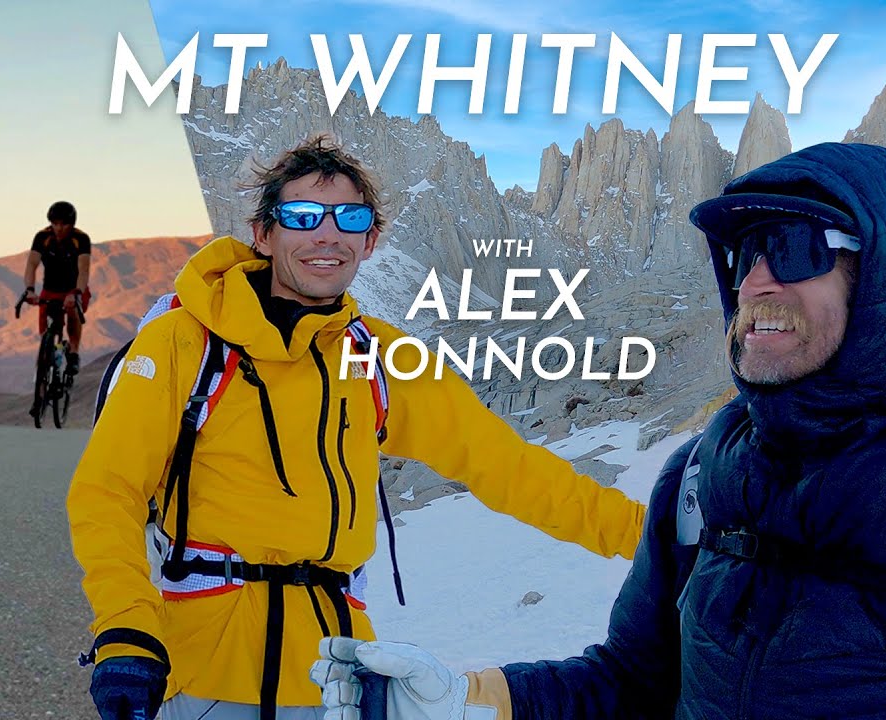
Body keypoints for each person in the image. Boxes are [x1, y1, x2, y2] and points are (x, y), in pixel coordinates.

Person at [311, 143, 886, 719]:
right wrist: (471, 700)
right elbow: (631, 685)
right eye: (743, 253)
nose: (755, 280)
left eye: (795, 249)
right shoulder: (696, 481)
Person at [67, 136, 648, 720]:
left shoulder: (382, 358)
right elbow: (108, 490)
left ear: (369, 241)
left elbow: (510, 469)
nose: (327, 234)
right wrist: (126, 627)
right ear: (264, 234)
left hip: (339, 679)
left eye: (350, 218)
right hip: (199, 671)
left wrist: (657, 539)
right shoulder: (183, 342)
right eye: (302, 216)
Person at [20, 200, 92, 376]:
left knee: (72, 309)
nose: (59, 228)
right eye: (55, 223)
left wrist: (77, 293)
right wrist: (29, 289)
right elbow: (31, 264)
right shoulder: (42, 237)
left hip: (74, 288)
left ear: (71, 224)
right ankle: (47, 355)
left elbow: (83, 270)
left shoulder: (80, 239)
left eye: (64, 224)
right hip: (50, 289)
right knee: (46, 328)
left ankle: (73, 352)